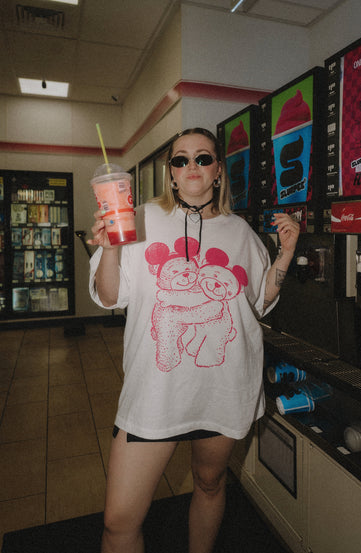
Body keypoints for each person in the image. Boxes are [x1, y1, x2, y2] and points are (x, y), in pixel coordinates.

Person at [88, 127, 300, 553]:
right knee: (119, 521)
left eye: (203, 158)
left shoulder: (240, 232)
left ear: (218, 170)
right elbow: (110, 296)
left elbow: (257, 301)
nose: (192, 167)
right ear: (170, 173)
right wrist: (110, 247)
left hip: (223, 386)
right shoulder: (139, 218)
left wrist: (286, 254)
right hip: (155, 390)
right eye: (180, 159)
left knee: (209, 482)